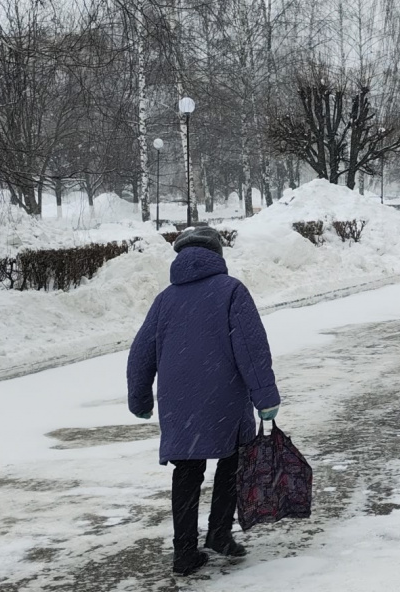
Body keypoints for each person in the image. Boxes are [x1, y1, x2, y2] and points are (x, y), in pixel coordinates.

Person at [127, 226, 282, 576]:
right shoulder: (231, 291)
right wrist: (265, 398)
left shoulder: (165, 299)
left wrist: (139, 398)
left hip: (176, 399)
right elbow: (251, 348)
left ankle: (184, 553)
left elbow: (140, 353)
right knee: (232, 459)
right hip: (223, 394)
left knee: (187, 469)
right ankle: (219, 534)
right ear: (217, 255)